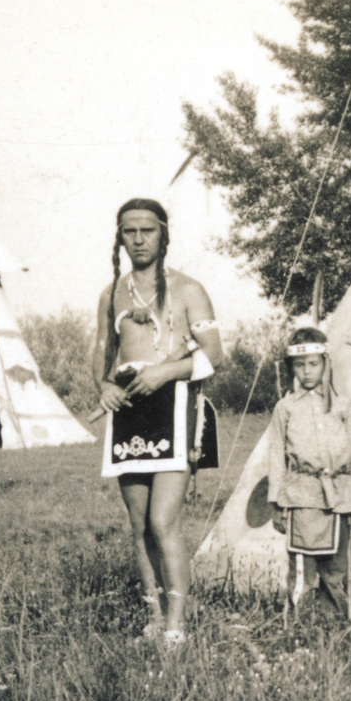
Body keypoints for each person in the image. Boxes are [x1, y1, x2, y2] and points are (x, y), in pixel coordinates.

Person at [91, 198, 224, 645]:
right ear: (119, 236)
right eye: (130, 231)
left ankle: (176, 626)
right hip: (129, 412)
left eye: (148, 230)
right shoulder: (112, 294)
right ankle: (152, 619)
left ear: (163, 234)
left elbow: (214, 354)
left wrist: (164, 371)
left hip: (175, 407)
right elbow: (101, 352)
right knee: (139, 523)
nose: (139, 240)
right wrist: (103, 386)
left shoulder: (188, 289)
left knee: (164, 521)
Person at [267, 326, 351, 624]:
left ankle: (336, 625)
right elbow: (276, 457)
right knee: (303, 568)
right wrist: (277, 503)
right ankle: (296, 625)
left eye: (313, 363)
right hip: (301, 495)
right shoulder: (285, 408)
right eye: (300, 365)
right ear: (291, 368)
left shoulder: (342, 406)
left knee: (336, 569)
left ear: (326, 363)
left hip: (340, 497)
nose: (307, 371)